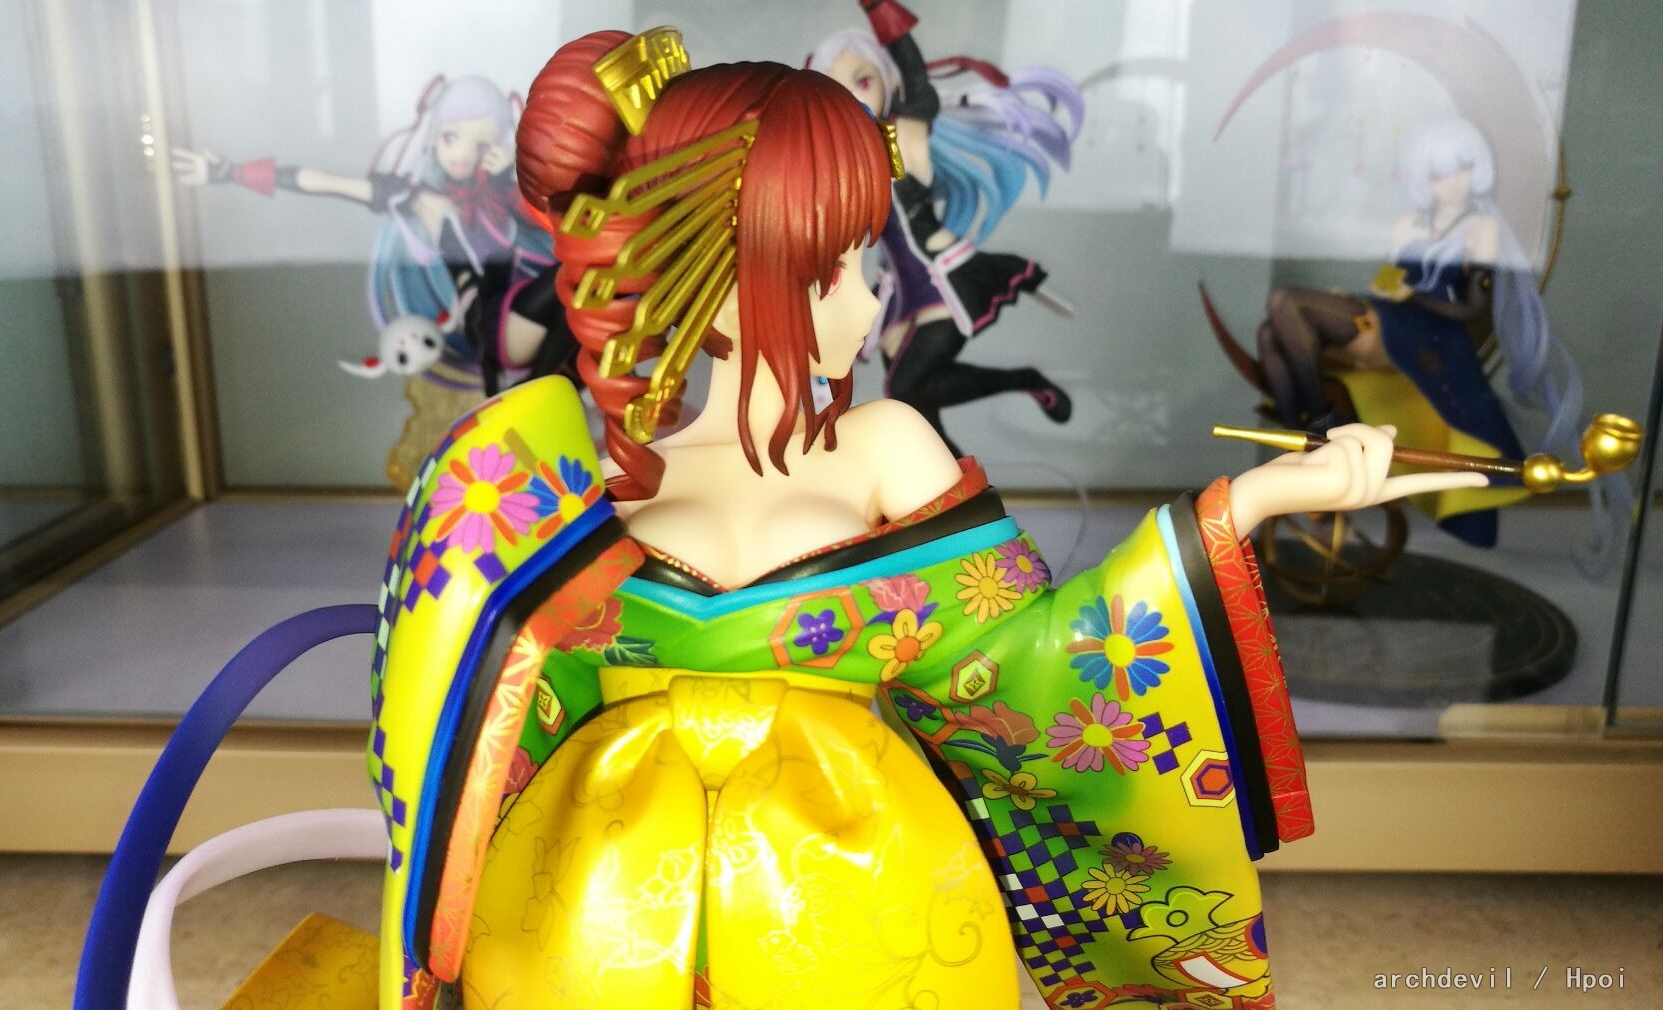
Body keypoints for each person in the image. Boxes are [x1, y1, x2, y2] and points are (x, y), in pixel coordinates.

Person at [360, 29, 1488, 1009]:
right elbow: (482, 724)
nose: (869, 298)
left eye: (866, 258)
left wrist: (1255, 501)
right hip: (596, 903)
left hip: (859, 884)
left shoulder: (885, 444)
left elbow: (1032, 663)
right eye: (830, 269)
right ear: (715, 277)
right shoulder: (577, 473)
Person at [173, 75, 580, 485]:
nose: (461, 155)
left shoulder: (503, 194)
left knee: (580, 286)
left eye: (479, 144)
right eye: (450, 137)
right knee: (571, 282)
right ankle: (536, 396)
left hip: (525, 319)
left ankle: (541, 398)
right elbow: (326, 183)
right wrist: (229, 171)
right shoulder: (420, 199)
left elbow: (559, 218)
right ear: (432, 134)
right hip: (492, 326)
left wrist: (509, 176)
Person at [1243, 117, 1587, 547]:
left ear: (1476, 170)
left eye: (1460, 169)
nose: (1452, 183)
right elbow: (1387, 283)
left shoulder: (1481, 228)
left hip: (1426, 333)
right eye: (1439, 174)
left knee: (1285, 302)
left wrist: (1416, 297)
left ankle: (1320, 428)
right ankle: (1308, 436)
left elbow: (1471, 308)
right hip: (1386, 314)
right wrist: (1353, 297)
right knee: (1270, 335)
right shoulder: (1409, 221)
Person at [811, 0, 1082, 455]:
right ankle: (954, 479)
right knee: (917, 406)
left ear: (888, 81)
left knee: (904, 387)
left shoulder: (904, 139)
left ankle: (1023, 381)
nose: (853, 97)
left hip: (943, 275)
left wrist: (881, 12)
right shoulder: (851, 164)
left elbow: (920, 91)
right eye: (836, 88)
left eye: (863, 81)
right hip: (901, 291)